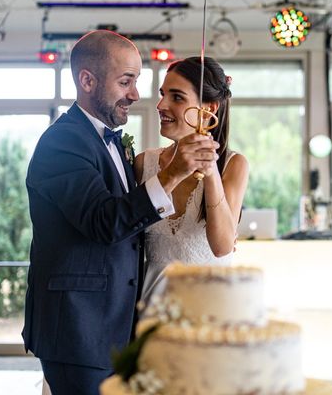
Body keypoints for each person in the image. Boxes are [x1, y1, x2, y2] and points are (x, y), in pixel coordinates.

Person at [22, 31, 218, 395]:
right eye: (126, 81)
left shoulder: (106, 140)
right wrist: (173, 174)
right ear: (87, 80)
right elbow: (105, 221)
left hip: (112, 327)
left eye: (137, 82)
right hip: (78, 328)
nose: (135, 94)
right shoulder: (63, 142)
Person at [135, 56, 249, 306]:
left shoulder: (234, 165)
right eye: (162, 94)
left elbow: (221, 247)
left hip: (210, 313)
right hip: (151, 313)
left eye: (176, 97)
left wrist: (211, 173)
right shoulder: (144, 163)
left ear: (208, 109)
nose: (161, 104)